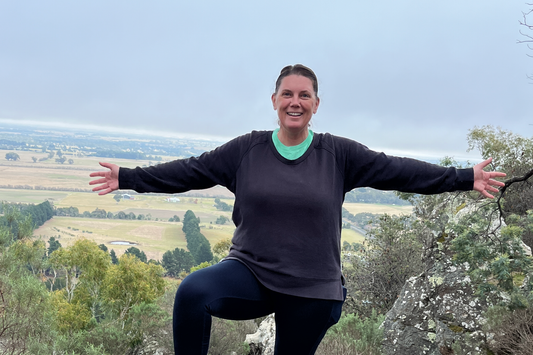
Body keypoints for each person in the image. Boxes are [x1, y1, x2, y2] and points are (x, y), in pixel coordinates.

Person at [89, 64, 506, 355]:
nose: (295, 101)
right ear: (274, 100)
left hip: (312, 287)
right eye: (287, 94)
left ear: (316, 104)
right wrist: (128, 177)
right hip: (251, 272)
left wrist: (463, 177)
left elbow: (397, 171)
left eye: (303, 95)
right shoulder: (246, 150)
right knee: (193, 292)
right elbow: (191, 171)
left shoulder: (338, 154)